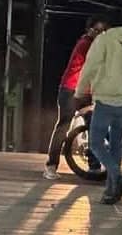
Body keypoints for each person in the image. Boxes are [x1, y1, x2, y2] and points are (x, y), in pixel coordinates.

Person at [75, 15, 122, 204]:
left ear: (108, 25)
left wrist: (78, 92)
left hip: (105, 101)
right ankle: (111, 192)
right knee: (116, 145)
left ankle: (116, 176)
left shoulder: (103, 39)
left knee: (95, 143)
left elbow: (89, 67)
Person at [43, 14, 110, 180]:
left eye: (103, 31)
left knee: (94, 125)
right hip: (71, 90)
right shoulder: (86, 44)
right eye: (97, 30)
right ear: (89, 30)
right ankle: (51, 167)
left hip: (85, 93)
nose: (100, 34)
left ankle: (94, 167)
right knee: (64, 126)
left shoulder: (95, 45)